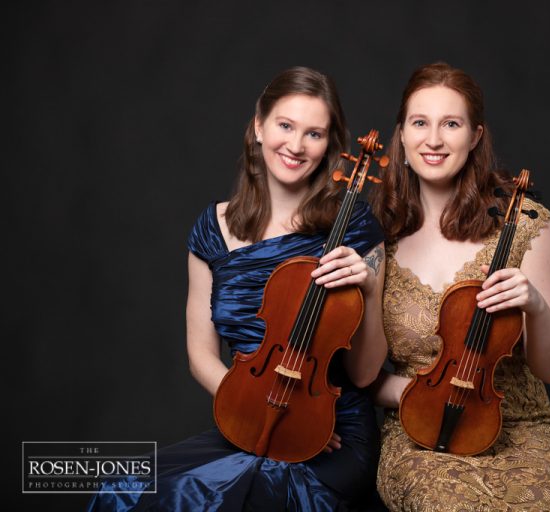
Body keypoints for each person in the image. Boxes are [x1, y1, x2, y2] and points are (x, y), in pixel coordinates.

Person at [88, 66, 387, 511]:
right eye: (285, 125)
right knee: (125, 492)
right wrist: (258, 412)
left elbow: (364, 375)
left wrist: (367, 289)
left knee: (238, 496)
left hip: (331, 432)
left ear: (329, 146)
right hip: (249, 418)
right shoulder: (212, 230)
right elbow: (201, 357)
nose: (296, 145)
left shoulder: (356, 228)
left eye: (314, 134)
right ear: (258, 127)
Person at [369, 62, 550, 511]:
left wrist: (536, 306)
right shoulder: (378, 238)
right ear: (401, 134)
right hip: (421, 435)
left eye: (452, 124)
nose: (435, 139)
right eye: (420, 123)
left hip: (521, 430)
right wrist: (425, 395)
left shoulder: (525, 227)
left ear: (476, 136)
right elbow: (358, 377)